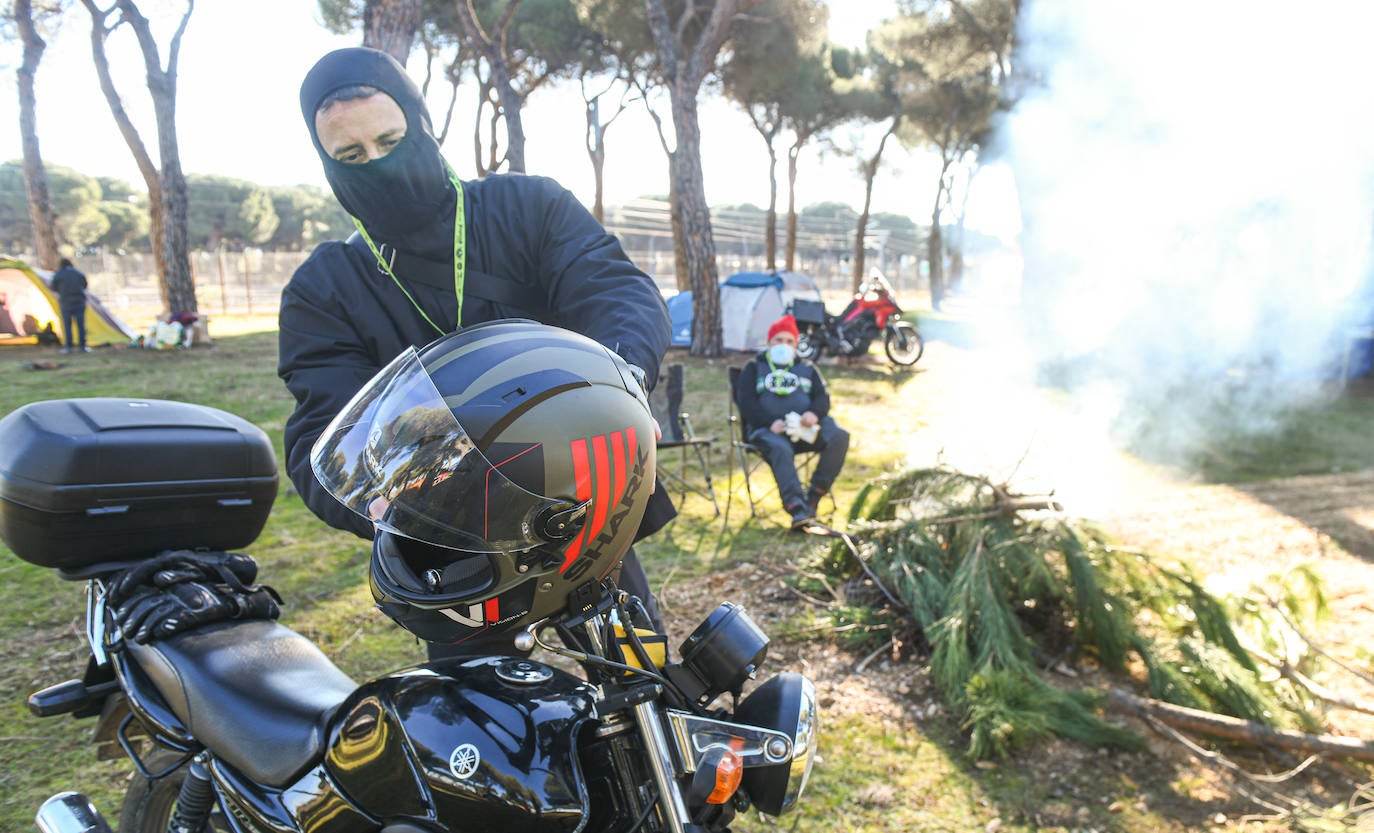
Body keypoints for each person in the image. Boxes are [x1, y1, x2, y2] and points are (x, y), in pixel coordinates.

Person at [278, 47, 673, 657]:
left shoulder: (529, 207)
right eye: (352, 156)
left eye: (390, 140)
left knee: (639, 680)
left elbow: (617, 290)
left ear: (422, 126)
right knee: (486, 734)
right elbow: (320, 437)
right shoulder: (322, 287)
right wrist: (389, 510)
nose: (378, 166)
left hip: (584, 505)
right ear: (327, 166)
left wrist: (621, 378)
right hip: (450, 550)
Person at [734, 314, 850, 528]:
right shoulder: (754, 367)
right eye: (778, 340)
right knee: (780, 449)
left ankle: (815, 494)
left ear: (796, 345)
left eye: (789, 341)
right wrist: (769, 423)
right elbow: (746, 402)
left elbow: (823, 398)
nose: (784, 345)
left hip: (806, 429)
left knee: (839, 437)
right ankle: (796, 506)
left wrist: (814, 413)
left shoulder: (808, 368)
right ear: (769, 343)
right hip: (769, 432)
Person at [49, 258, 89, 353]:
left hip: (66, 303)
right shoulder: (78, 273)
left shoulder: (58, 274)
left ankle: (68, 347)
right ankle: (82, 346)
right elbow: (84, 285)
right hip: (79, 301)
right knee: (81, 325)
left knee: (67, 325)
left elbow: (53, 288)